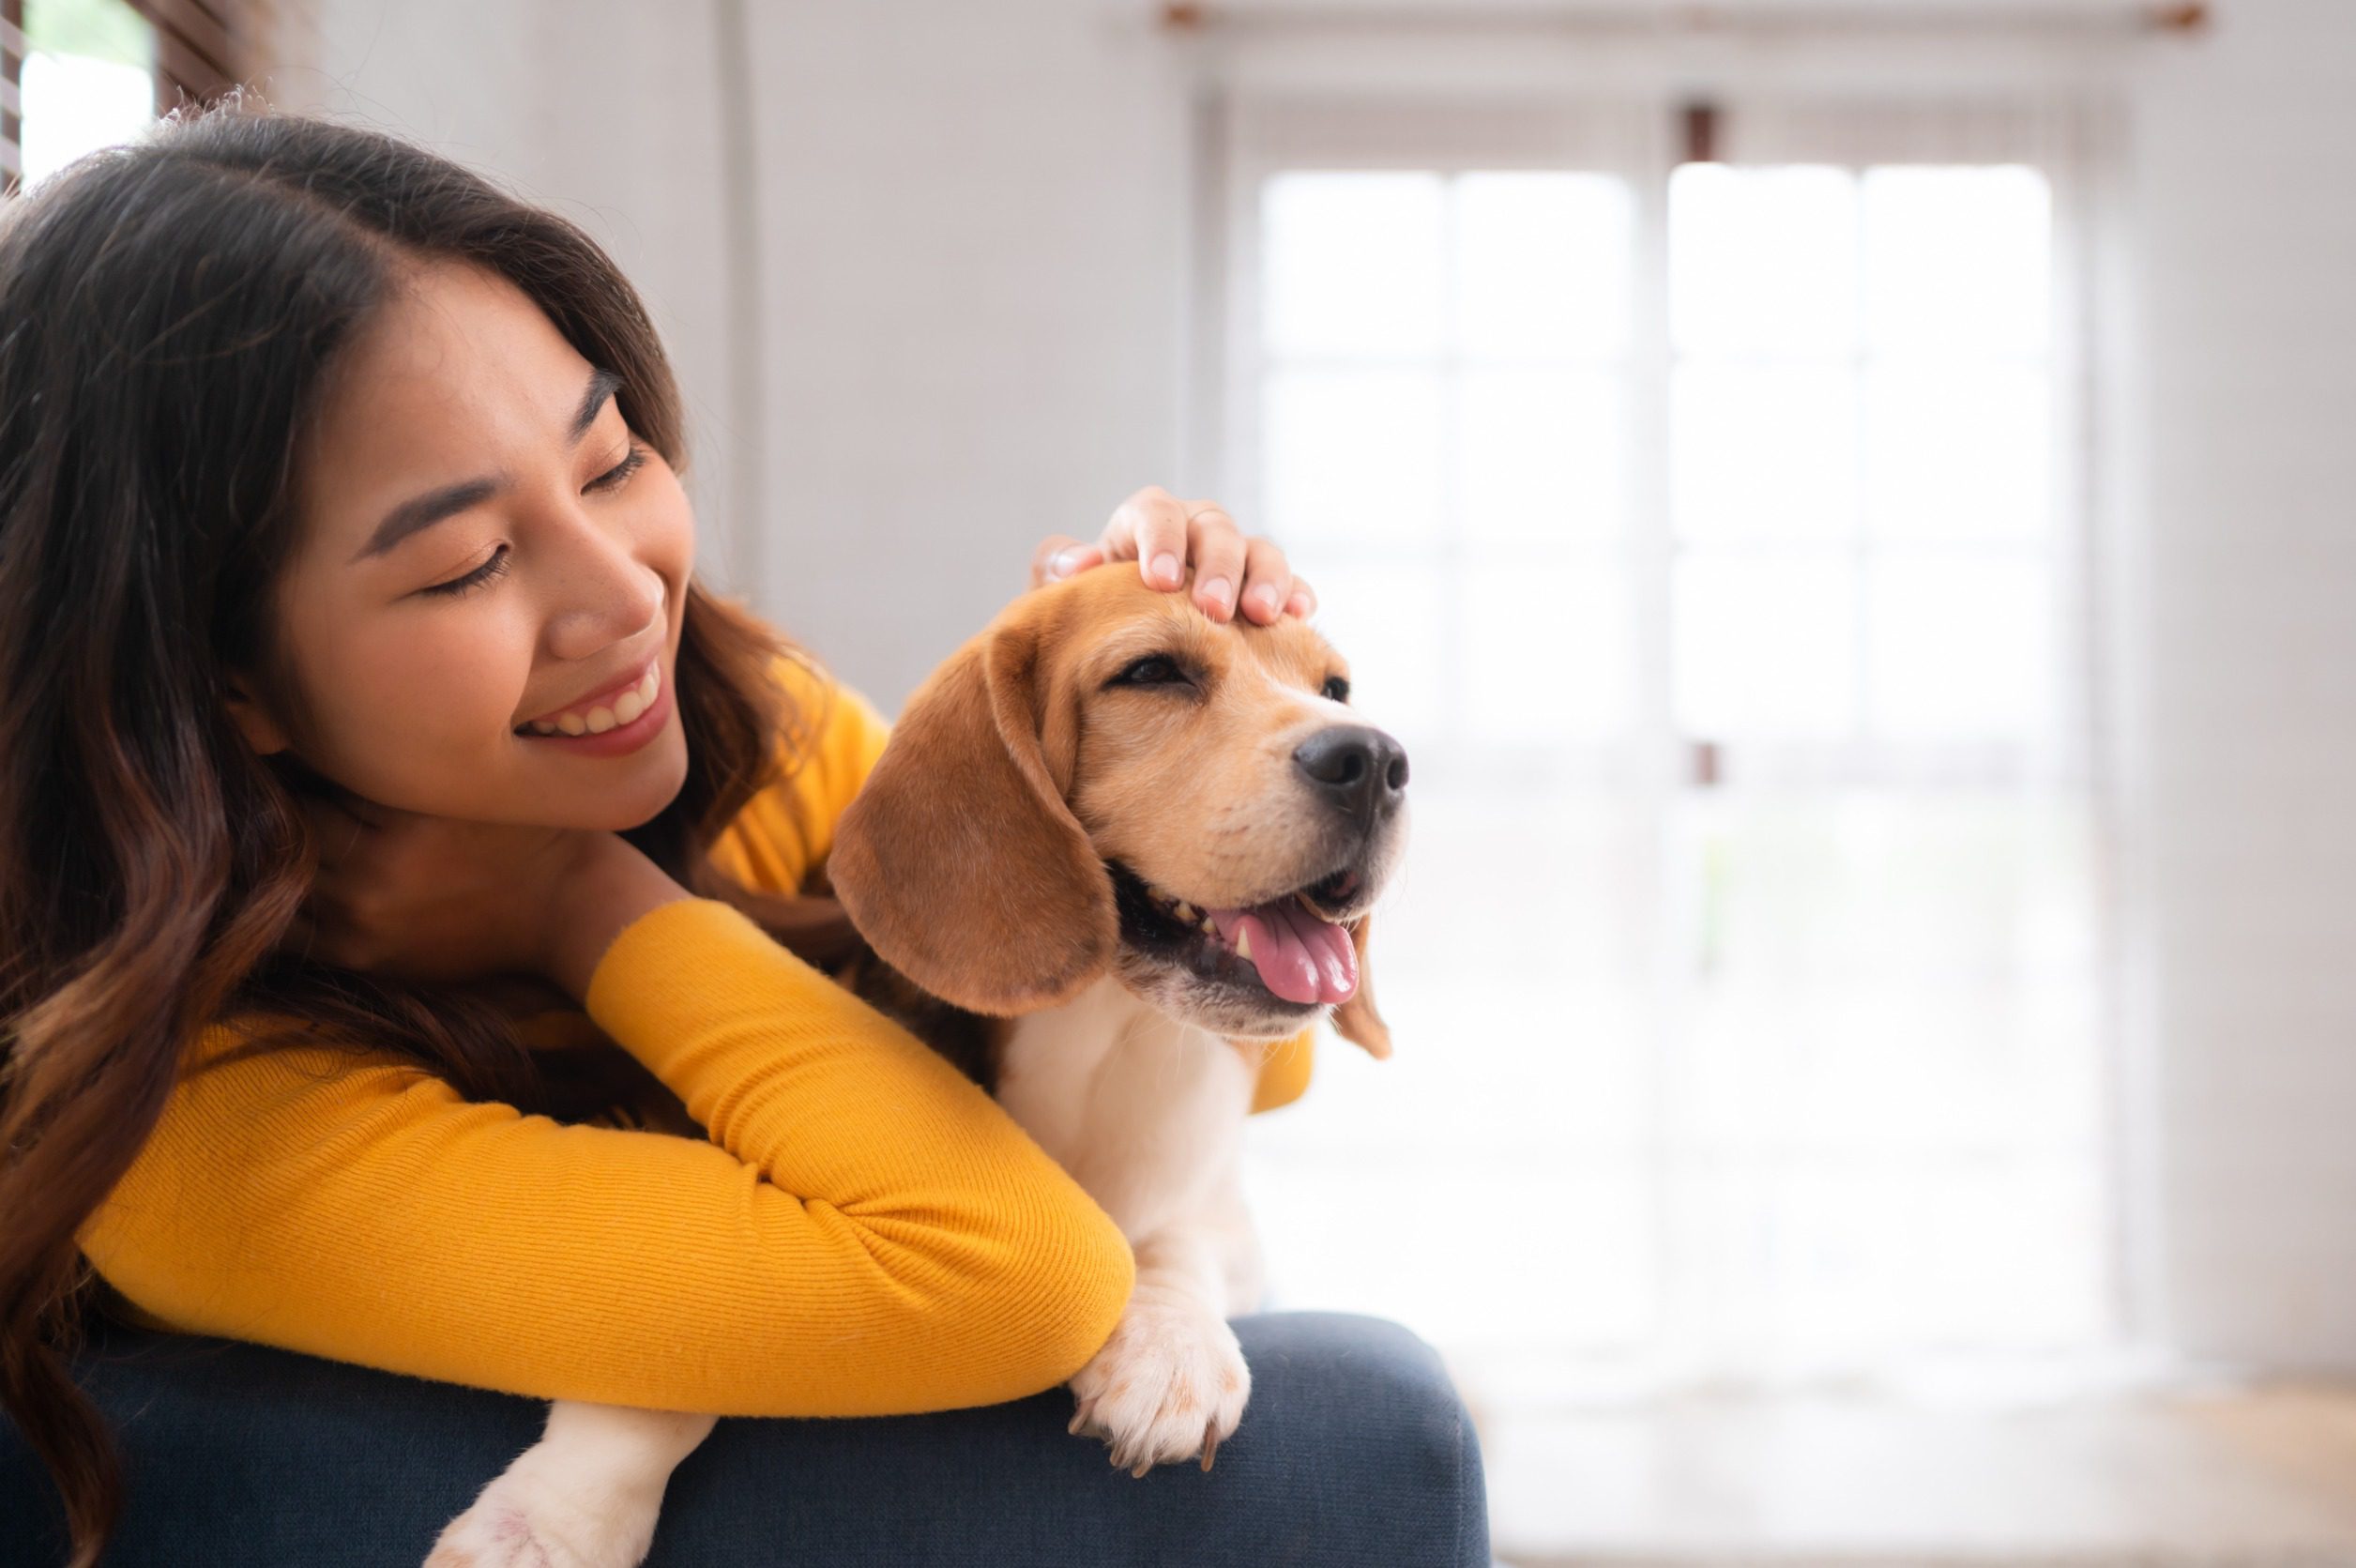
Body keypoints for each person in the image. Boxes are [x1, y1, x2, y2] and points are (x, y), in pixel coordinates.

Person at [0, 106, 1488, 1567]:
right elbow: (1015, 1276)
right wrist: (585, 907)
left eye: (609, 462)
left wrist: (1184, 718)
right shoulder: (200, 1128)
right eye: (469, 561)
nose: (628, 599)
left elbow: (1265, 1055)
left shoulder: (751, 730)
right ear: (226, 674)